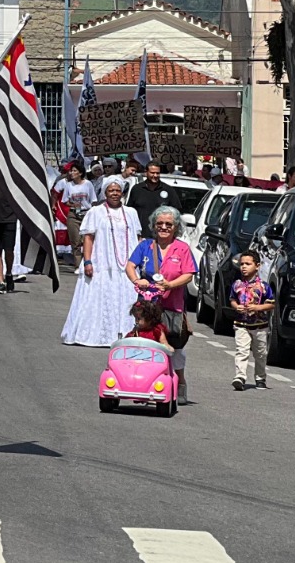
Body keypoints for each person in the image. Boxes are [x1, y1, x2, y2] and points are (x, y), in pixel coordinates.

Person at [125, 205, 197, 406]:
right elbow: (130, 266)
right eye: (160, 224)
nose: (164, 227)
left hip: (172, 306)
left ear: (175, 227)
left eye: (168, 224)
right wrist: (136, 280)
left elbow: (189, 273)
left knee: (174, 347)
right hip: (147, 306)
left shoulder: (182, 248)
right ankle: (144, 385)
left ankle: (180, 383)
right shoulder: (145, 246)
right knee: (145, 344)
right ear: (154, 226)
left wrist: (170, 285)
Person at [60, 179, 140, 346]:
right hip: (102, 262)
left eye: (118, 190)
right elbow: (88, 238)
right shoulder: (95, 212)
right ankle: (100, 334)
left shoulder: (131, 212)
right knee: (101, 297)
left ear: (122, 193)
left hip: (127, 265)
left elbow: (137, 238)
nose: (115, 193)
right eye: (111, 190)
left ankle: (126, 333)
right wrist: (87, 261)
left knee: (127, 299)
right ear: (105, 193)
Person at [227, 250, 273, 390]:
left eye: (248, 264)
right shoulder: (237, 285)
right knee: (242, 350)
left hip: (260, 326)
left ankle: (260, 378)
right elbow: (232, 300)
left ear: (257, 266)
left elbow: (271, 304)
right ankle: (240, 377)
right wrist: (236, 307)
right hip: (241, 324)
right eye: (242, 264)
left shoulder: (264, 287)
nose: (244, 267)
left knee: (260, 353)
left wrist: (257, 307)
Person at [0, 174, 21, 294]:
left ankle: (9, 273)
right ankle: (1, 282)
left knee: (9, 250)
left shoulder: (11, 175)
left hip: (9, 218)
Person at [58, 162, 97, 263]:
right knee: (75, 240)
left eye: (74, 171)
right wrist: (72, 205)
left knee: (87, 239)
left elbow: (93, 200)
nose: (72, 173)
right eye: (71, 171)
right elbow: (65, 201)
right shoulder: (68, 185)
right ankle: (78, 264)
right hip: (73, 214)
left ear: (80, 173)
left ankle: (88, 261)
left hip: (86, 214)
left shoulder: (88, 184)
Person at [126, 163, 178, 236]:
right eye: (152, 173)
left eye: (157, 173)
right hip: (140, 235)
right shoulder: (136, 189)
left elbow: (176, 214)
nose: (155, 175)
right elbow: (129, 212)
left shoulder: (169, 190)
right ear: (146, 172)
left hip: (162, 236)